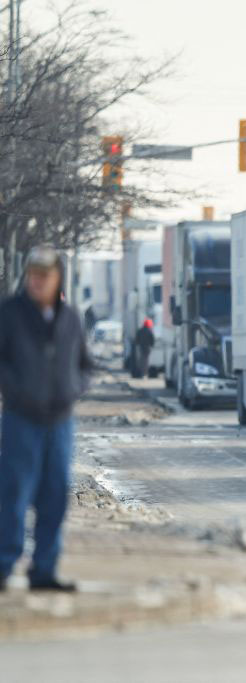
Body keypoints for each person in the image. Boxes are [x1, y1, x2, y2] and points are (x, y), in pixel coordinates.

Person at [0, 245, 93, 592]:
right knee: (14, 493)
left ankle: (44, 570)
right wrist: (16, 390)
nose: (37, 282)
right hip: (21, 418)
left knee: (55, 496)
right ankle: (4, 566)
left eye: (44, 276)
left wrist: (74, 388)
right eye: (33, 275)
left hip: (60, 421)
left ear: (57, 279)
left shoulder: (70, 317)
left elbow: (85, 365)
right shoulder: (10, 313)